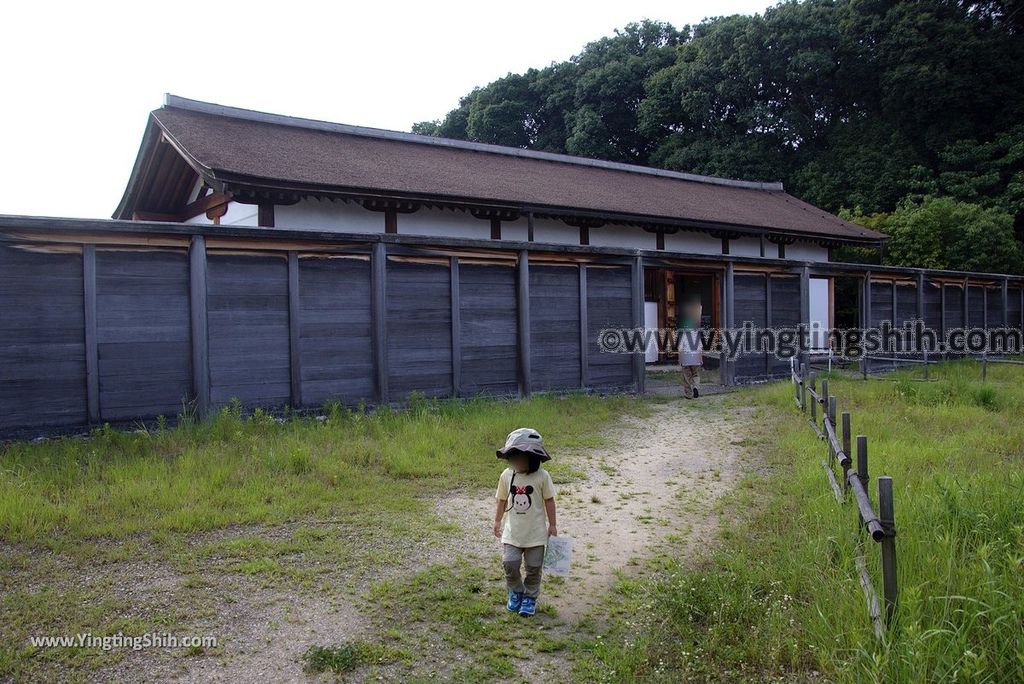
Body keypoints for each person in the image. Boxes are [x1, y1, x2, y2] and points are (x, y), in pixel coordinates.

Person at [493, 427, 557, 617]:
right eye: (513, 457)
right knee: (510, 563)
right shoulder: (506, 476)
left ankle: (530, 596)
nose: (516, 462)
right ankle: (516, 590)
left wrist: (552, 525)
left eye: (520, 457)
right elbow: (502, 500)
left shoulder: (542, 477)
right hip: (512, 532)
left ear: (533, 457)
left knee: (534, 567)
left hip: (535, 534)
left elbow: (549, 500)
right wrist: (497, 521)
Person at [678, 296, 703, 399]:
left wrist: (680, 359)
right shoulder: (696, 335)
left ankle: (688, 394)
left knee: (686, 376)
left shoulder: (684, 336)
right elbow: (700, 347)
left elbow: (680, 349)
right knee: (696, 374)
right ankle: (696, 387)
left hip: (686, 358)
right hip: (696, 357)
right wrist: (701, 358)